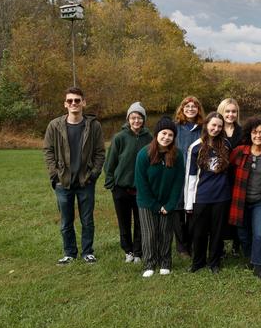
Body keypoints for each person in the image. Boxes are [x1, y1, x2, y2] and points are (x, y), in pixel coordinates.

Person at [44, 87, 105, 265]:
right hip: (63, 182)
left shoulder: (93, 125)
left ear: (83, 103)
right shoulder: (54, 125)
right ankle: (69, 253)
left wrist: (94, 174)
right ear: (65, 104)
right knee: (66, 221)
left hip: (86, 181)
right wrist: (54, 175)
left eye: (77, 100)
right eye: (70, 101)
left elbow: (100, 152)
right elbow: (48, 151)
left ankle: (88, 252)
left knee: (87, 220)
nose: (73, 103)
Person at [134, 117, 185, 277]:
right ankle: (149, 263)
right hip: (147, 202)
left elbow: (178, 182)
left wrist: (169, 204)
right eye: (164, 133)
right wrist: (155, 206)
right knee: (149, 234)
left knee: (165, 233)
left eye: (170, 135)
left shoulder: (177, 155)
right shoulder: (144, 154)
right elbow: (141, 184)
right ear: (157, 134)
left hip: (167, 201)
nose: (166, 137)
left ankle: (165, 262)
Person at [104, 101, 153, 264]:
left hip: (140, 188)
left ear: (143, 120)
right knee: (124, 221)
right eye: (133, 118)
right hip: (121, 188)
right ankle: (128, 250)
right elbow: (110, 163)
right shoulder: (119, 138)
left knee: (141, 221)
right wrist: (111, 183)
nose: (136, 121)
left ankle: (138, 251)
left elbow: (152, 161)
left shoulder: (149, 137)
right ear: (128, 119)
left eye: (139, 118)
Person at [184, 112, 231, 274]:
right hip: (201, 196)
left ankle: (214, 262)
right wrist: (189, 203)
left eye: (219, 126)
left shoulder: (226, 145)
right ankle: (198, 262)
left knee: (218, 232)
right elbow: (190, 176)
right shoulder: (195, 147)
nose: (216, 128)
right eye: (213, 125)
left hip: (222, 196)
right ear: (206, 125)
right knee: (199, 232)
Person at [229, 118, 261, 280]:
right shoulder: (240, 151)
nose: (258, 135)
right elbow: (228, 173)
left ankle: (258, 266)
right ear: (250, 133)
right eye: (255, 132)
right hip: (240, 200)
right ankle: (250, 257)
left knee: (260, 233)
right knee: (242, 234)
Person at [173, 96, 206, 259]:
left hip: (196, 175)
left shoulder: (203, 128)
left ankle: (193, 243)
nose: (191, 109)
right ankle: (181, 247)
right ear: (182, 108)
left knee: (192, 210)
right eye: (187, 106)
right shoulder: (175, 127)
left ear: (198, 109)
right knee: (178, 211)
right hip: (178, 174)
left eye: (194, 106)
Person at [217, 97, 243, 256]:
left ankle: (236, 244)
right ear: (222, 112)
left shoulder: (242, 130)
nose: (231, 114)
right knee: (221, 211)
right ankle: (219, 245)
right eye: (227, 111)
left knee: (238, 209)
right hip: (219, 176)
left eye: (234, 111)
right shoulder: (215, 129)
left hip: (239, 175)